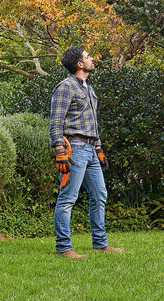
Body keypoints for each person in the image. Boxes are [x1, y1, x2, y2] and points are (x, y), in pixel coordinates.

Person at [49, 46, 123, 258]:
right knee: (68, 198)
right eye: (87, 57)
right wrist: (60, 150)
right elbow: (56, 121)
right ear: (79, 64)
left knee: (99, 195)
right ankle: (64, 247)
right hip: (75, 149)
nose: (92, 59)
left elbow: (93, 123)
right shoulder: (66, 88)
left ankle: (100, 243)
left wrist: (98, 148)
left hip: (90, 149)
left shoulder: (88, 88)